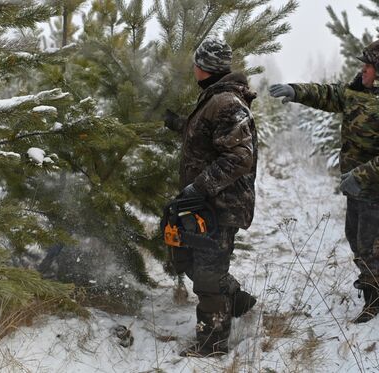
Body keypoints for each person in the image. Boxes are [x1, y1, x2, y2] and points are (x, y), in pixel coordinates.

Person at [269, 38, 379, 323]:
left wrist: (361, 176)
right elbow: (329, 94)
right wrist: (296, 91)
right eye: (364, 65)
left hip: (376, 188)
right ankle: (378, 283)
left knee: (370, 243)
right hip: (355, 185)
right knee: (355, 238)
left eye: (369, 66)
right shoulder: (356, 92)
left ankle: (378, 300)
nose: (363, 70)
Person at [164, 38, 258, 356]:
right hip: (208, 205)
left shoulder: (227, 102)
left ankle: (211, 345)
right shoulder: (215, 100)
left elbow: (239, 157)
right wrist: (182, 125)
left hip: (220, 205)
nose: (193, 68)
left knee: (206, 275)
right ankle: (237, 298)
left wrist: (199, 188)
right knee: (195, 263)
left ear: (205, 68)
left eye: (196, 63)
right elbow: (210, 141)